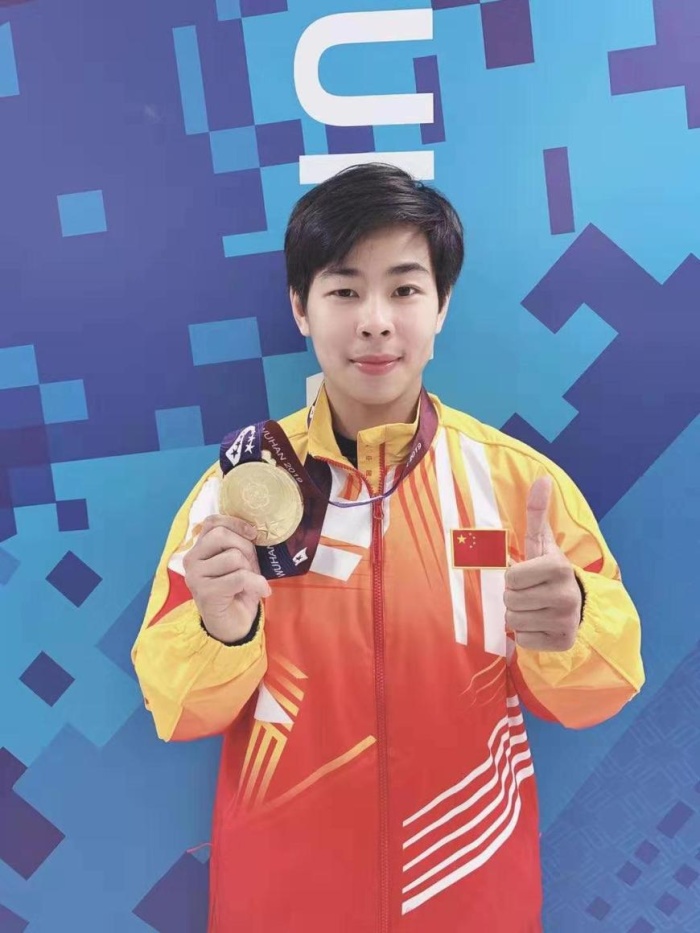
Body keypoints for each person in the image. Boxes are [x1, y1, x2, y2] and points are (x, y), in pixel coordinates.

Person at [132, 163, 644, 932]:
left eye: (405, 289)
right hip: (281, 902)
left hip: (471, 896)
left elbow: (600, 689)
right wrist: (220, 631)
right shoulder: (236, 489)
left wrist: (570, 629)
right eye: (345, 291)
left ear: (442, 306)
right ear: (300, 308)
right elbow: (175, 706)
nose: (375, 321)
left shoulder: (519, 484)